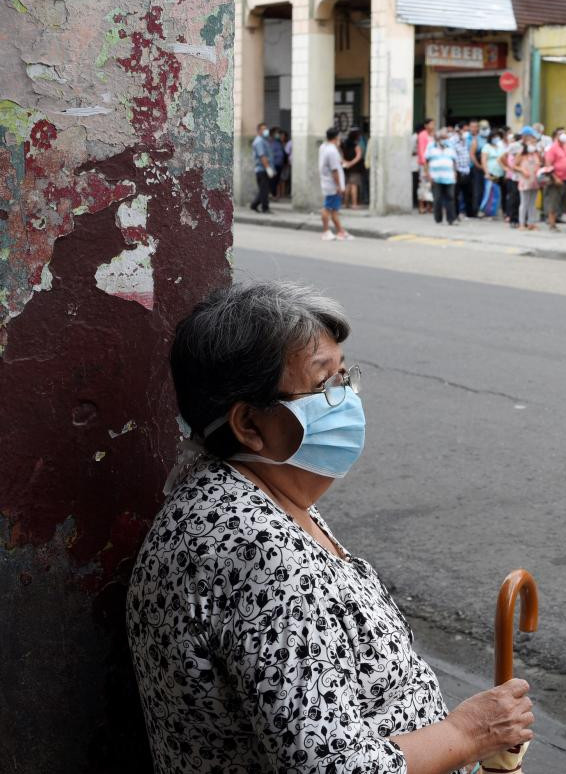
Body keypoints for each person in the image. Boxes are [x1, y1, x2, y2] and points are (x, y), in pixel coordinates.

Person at [127, 281, 536, 774]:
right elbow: (331, 766)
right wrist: (466, 734)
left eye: (345, 376)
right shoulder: (255, 550)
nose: (347, 399)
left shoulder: (253, 491)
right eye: (325, 386)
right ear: (250, 425)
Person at [317, 127, 352, 241]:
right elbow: (334, 170)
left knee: (334, 209)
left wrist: (342, 161)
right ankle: (326, 231)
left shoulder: (324, 147)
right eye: (339, 136)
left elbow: (333, 162)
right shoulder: (332, 151)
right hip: (332, 184)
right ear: (336, 137)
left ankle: (340, 231)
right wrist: (338, 186)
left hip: (327, 182)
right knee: (328, 208)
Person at [544, 127, 566, 232]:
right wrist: (555, 178)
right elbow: (548, 165)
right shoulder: (552, 149)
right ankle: (552, 225)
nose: (563, 135)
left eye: (565, 133)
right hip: (556, 181)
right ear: (556, 136)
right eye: (560, 134)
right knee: (553, 203)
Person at [426, 129, 458, 225]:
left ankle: (451, 219)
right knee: (437, 198)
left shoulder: (450, 147)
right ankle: (438, 219)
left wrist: (455, 172)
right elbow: (426, 161)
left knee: (450, 198)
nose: (444, 139)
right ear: (437, 138)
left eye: (446, 137)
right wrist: (428, 174)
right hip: (436, 177)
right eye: (442, 137)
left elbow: (454, 161)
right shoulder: (431, 146)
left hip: (449, 176)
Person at [513, 127, 542, 231]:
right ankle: (522, 223)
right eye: (532, 139)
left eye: (534, 140)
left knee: (532, 203)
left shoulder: (535, 153)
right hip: (525, 180)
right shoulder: (522, 152)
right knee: (524, 202)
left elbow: (539, 163)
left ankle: (531, 223)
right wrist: (522, 170)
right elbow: (514, 165)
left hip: (534, 180)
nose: (533, 141)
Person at [479, 130, 506, 218]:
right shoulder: (486, 147)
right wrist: (486, 172)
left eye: (498, 137)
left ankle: (493, 212)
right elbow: (483, 160)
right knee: (488, 192)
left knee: (496, 193)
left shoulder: (500, 147)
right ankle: (483, 210)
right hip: (490, 172)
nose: (496, 139)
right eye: (494, 137)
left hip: (499, 173)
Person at [451, 125, 476, 220]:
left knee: (468, 193)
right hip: (458, 171)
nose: (464, 133)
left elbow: (466, 154)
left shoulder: (464, 141)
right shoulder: (453, 141)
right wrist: (455, 171)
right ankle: (456, 214)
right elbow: (453, 157)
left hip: (466, 170)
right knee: (456, 194)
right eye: (462, 131)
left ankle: (469, 213)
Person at [250, 122, 273, 213]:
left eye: (266, 129)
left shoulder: (263, 140)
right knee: (264, 190)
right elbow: (262, 156)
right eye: (264, 129)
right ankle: (265, 208)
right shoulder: (259, 141)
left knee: (264, 189)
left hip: (262, 169)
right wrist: (268, 168)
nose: (266, 131)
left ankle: (254, 205)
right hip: (262, 169)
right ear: (259, 130)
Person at [341, 128, 364, 209]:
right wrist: (351, 163)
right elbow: (359, 156)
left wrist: (345, 163)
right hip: (355, 168)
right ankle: (354, 204)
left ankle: (346, 203)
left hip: (346, 167)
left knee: (347, 185)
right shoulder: (356, 146)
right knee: (354, 185)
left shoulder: (344, 145)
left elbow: (341, 156)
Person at [416, 120, 434, 215]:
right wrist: (425, 164)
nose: (433, 126)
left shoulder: (432, 135)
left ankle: (429, 206)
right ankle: (421, 206)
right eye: (431, 124)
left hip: (432, 163)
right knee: (423, 184)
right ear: (426, 125)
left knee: (430, 185)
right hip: (424, 164)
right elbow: (421, 150)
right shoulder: (422, 135)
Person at [268, 128, 286, 201]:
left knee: (277, 180)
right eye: (277, 133)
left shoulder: (279, 143)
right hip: (274, 164)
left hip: (279, 164)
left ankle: (274, 194)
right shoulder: (270, 142)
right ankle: (273, 194)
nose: (278, 135)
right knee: (273, 180)